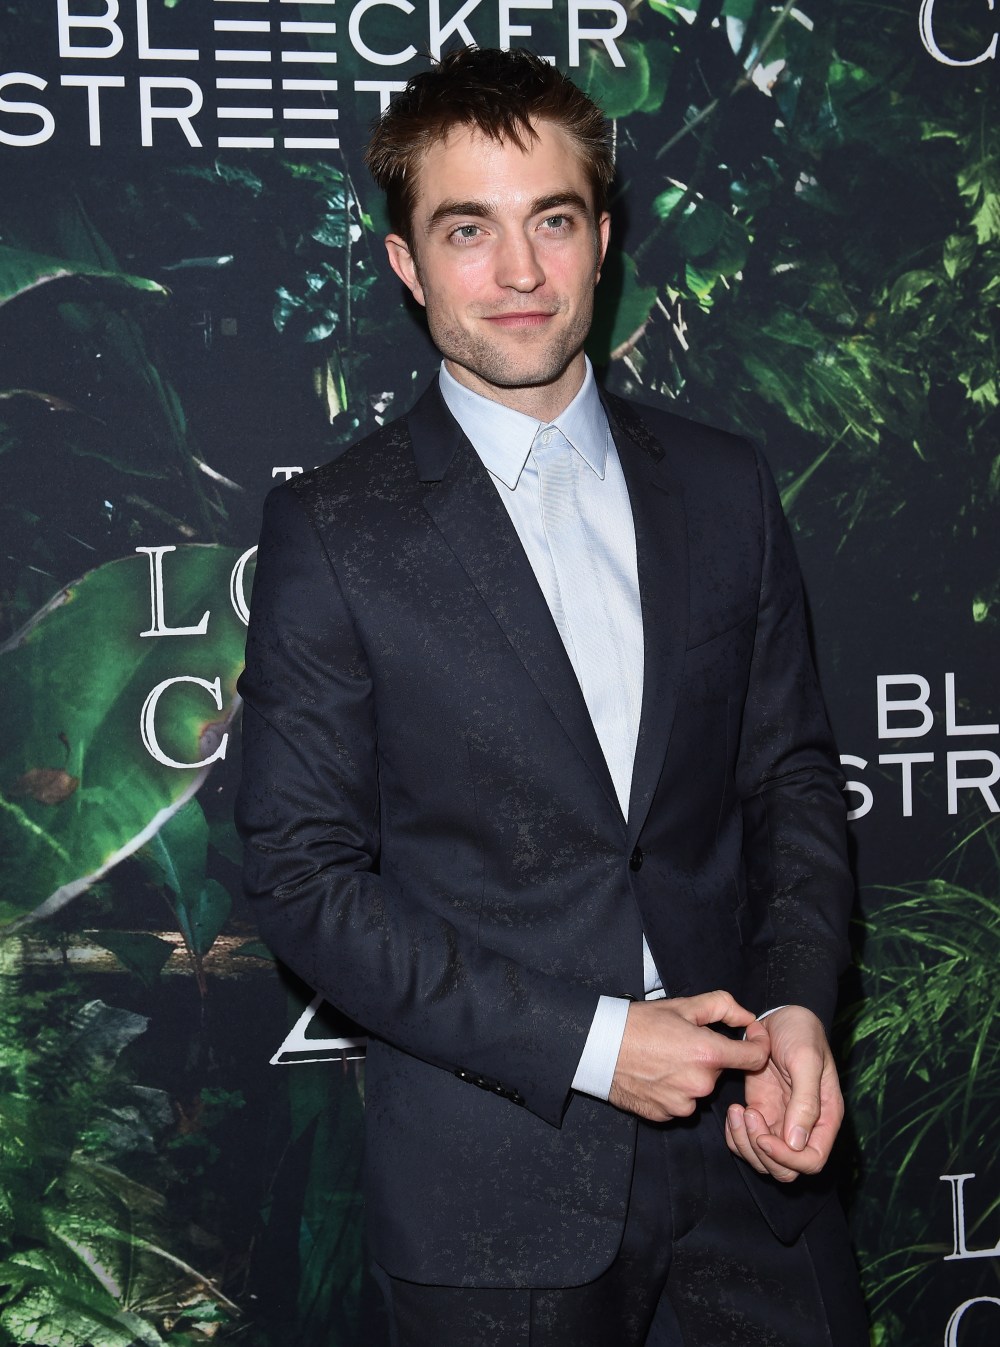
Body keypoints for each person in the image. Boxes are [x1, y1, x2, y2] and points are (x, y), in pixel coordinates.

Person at [236, 46, 867, 1347]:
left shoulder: (725, 483)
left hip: (754, 1165)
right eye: (469, 230)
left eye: (555, 221)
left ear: (603, 240)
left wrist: (798, 1002)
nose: (520, 273)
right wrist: (595, 1043)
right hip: (496, 1200)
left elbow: (789, 777)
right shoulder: (336, 531)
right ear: (408, 264)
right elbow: (302, 880)